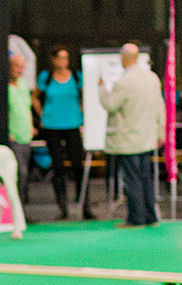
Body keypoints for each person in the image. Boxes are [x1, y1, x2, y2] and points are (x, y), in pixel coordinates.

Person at [98, 43, 165, 228]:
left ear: (125, 58)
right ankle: (151, 217)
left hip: (129, 140)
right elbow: (160, 107)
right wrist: (160, 132)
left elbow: (111, 105)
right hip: (147, 138)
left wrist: (102, 90)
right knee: (146, 177)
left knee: (132, 179)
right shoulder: (151, 78)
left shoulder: (125, 81)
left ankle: (136, 219)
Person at [34, 46, 93, 220]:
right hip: (52, 126)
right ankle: (62, 207)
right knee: (58, 167)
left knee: (78, 166)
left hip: (73, 125)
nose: (62, 61)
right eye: (59, 58)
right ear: (53, 59)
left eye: (65, 58)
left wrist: (83, 115)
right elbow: (35, 97)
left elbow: (86, 96)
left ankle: (85, 206)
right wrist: (42, 114)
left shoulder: (76, 77)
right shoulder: (46, 77)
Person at [8, 53, 34, 205]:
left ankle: (21, 209)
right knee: (19, 174)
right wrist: (9, 133)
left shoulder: (23, 84)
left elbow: (26, 108)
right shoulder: (4, 87)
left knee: (25, 175)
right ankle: (16, 210)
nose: (19, 70)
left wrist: (30, 128)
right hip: (14, 137)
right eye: (16, 66)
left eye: (22, 67)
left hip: (26, 136)